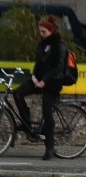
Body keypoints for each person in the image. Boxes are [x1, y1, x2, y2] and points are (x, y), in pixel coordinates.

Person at [13, 15, 66, 160]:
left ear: (51, 31)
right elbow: (38, 63)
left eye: (44, 32)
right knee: (17, 93)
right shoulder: (42, 44)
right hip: (40, 80)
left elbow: (58, 67)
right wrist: (34, 76)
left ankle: (49, 147)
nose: (41, 34)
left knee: (46, 112)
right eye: (40, 31)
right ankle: (26, 123)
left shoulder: (59, 45)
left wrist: (44, 80)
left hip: (53, 82)